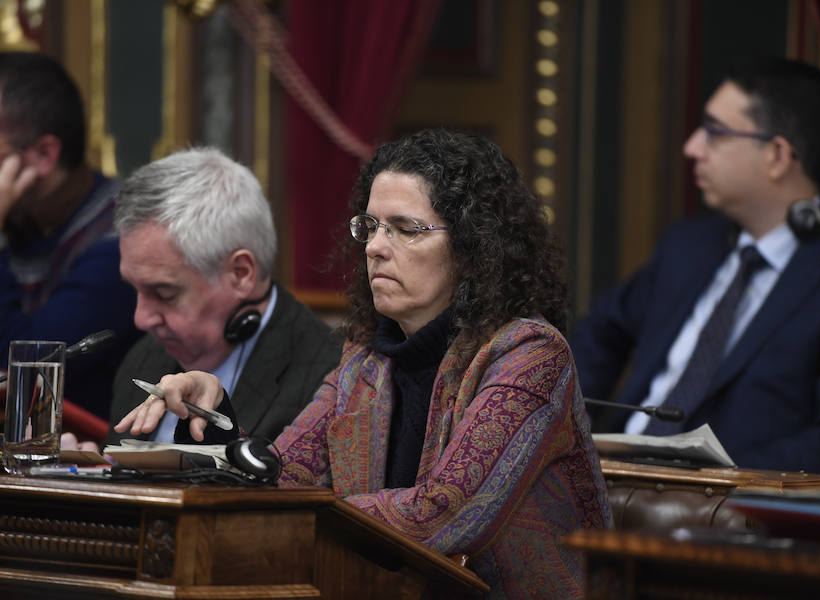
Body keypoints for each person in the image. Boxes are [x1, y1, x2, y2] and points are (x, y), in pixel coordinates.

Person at [115, 129, 613, 599]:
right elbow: (285, 478)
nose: (374, 246)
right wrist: (218, 417)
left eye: (405, 230)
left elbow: (447, 512)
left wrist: (311, 513)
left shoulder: (529, 355)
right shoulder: (365, 357)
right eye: (371, 226)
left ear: (472, 245)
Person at [571, 57, 820, 478]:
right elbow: (600, 332)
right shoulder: (687, 246)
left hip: (728, 514)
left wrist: (694, 477)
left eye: (714, 132)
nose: (692, 146)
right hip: (605, 485)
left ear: (777, 155)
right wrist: (565, 429)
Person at [101, 146, 342, 447]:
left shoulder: (329, 378)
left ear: (241, 273)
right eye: (135, 289)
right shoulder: (144, 360)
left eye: (164, 293)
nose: (141, 318)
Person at [0, 51, 140, 418]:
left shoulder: (124, 243)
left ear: (44, 155)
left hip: (81, 458)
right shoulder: (17, 222)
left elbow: (27, 374)